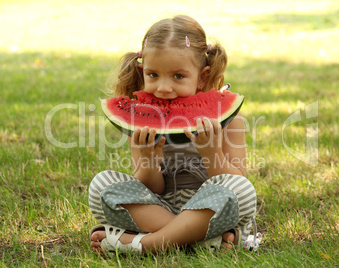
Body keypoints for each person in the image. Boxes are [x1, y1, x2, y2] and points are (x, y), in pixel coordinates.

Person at [89, 14, 257, 255]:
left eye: (178, 76)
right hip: (159, 208)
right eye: (153, 75)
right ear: (142, 71)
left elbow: (239, 180)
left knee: (240, 190)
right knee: (101, 185)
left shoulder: (229, 120)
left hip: (210, 208)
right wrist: (149, 162)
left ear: (203, 77)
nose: (164, 88)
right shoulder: (141, 120)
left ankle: (145, 244)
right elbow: (152, 188)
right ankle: (201, 241)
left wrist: (211, 152)